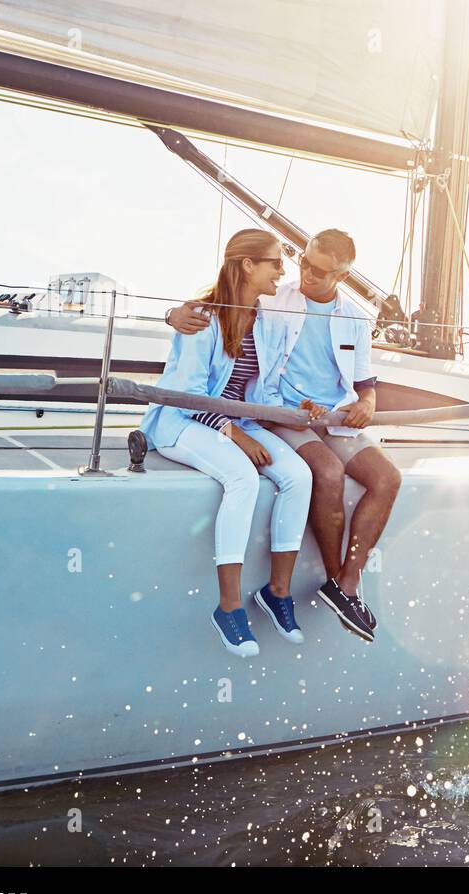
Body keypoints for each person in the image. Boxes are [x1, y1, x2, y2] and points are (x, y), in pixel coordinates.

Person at [166, 229, 401, 643]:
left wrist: (367, 404)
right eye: (301, 261)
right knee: (323, 473)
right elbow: (217, 301)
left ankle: (345, 585)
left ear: (342, 276)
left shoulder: (354, 319)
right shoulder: (276, 297)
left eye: (317, 269)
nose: (302, 272)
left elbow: (366, 384)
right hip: (283, 417)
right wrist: (169, 314)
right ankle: (306, 585)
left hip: (331, 418)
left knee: (387, 478)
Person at [142, 229, 313, 658]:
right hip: (184, 422)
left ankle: (277, 591)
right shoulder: (201, 318)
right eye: (275, 261)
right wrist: (232, 432)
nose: (283, 270)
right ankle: (229, 606)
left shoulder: (267, 323)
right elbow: (186, 395)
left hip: (240, 423)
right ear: (247, 265)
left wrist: (297, 407)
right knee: (242, 477)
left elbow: (266, 392)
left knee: (298, 476)